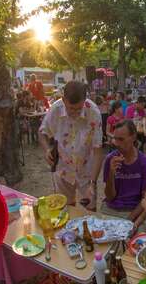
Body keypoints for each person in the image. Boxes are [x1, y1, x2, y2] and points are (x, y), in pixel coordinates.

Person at [39, 81, 103, 209]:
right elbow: (42, 132)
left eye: (79, 109)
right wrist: (47, 150)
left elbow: (97, 152)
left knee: (90, 210)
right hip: (63, 170)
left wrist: (93, 183)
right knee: (66, 210)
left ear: (85, 100)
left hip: (87, 171)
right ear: (63, 100)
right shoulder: (56, 110)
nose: (74, 112)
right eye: (70, 108)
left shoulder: (93, 113)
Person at [102, 120, 146, 219]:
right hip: (111, 208)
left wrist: (129, 219)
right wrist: (111, 173)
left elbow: (145, 199)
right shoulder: (110, 159)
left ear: (133, 137)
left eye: (121, 139)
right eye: (115, 139)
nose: (117, 143)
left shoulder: (145, 163)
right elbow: (110, 197)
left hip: (133, 210)